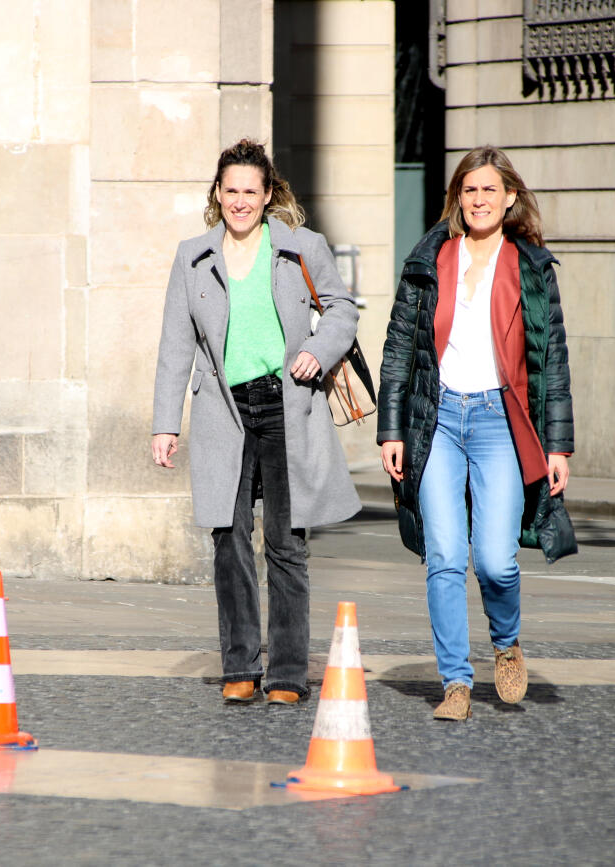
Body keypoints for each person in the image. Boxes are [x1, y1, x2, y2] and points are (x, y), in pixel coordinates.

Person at [151, 139, 361, 705]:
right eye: (230, 190)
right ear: (216, 194)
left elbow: (342, 308)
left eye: (251, 191)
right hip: (224, 409)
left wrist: (320, 349)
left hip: (288, 404)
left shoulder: (299, 247)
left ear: (268, 195)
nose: (240, 201)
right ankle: (240, 666)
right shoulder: (192, 255)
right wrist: (164, 424)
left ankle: (289, 672)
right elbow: (175, 343)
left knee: (286, 545)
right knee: (230, 540)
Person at [377, 145, 575, 723]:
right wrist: (392, 429)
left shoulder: (531, 267)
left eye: (490, 189)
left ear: (509, 196)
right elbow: (398, 351)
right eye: (469, 190)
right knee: (443, 557)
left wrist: (557, 445)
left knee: (494, 561)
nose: (479, 199)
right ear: (457, 199)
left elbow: (553, 361)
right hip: (438, 420)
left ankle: (507, 643)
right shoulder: (429, 259)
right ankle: (456, 683)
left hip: (500, 422)